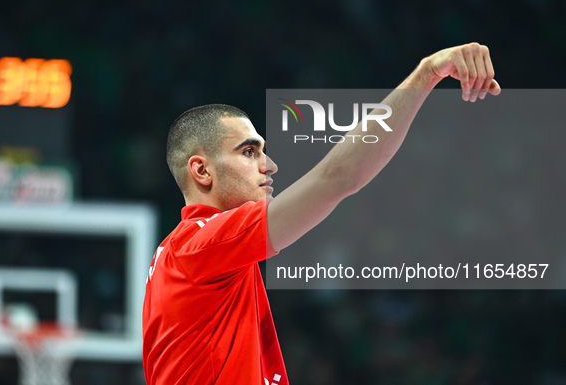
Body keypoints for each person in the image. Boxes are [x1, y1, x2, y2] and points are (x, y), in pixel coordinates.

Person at [142, 42, 501, 385]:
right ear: (201, 171)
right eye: (249, 152)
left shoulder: (191, 253)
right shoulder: (201, 244)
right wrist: (426, 75)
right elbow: (338, 178)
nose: (270, 165)